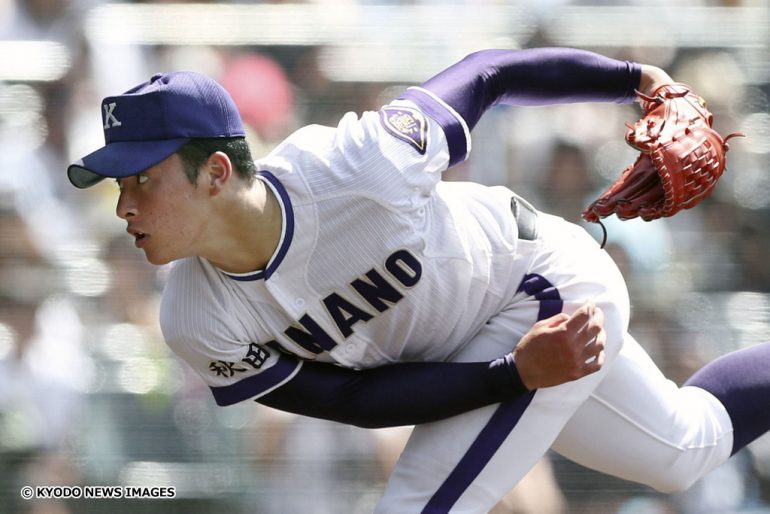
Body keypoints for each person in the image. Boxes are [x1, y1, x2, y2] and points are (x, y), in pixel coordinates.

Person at [67, 47, 770, 513]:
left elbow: (490, 75)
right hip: (496, 349)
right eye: (117, 183)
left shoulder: (356, 167)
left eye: (143, 180)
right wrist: (507, 376)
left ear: (216, 173)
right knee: (686, 450)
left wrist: (637, 81)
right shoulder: (194, 316)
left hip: (542, 288)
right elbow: (353, 399)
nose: (124, 204)